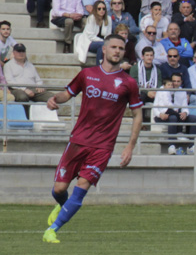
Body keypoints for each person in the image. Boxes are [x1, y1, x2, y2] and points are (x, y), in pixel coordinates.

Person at [41, 35, 144, 243]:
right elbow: (67, 94)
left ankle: (52, 230)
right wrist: (53, 100)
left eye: (121, 48)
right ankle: (61, 204)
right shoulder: (87, 74)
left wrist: (130, 146)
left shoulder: (128, 83)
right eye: (113, 47)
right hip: (78, 140)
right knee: (60, 189)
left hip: (103, 147)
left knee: (81, 188)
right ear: (104, 50)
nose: (117, 51)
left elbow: (138, 115)